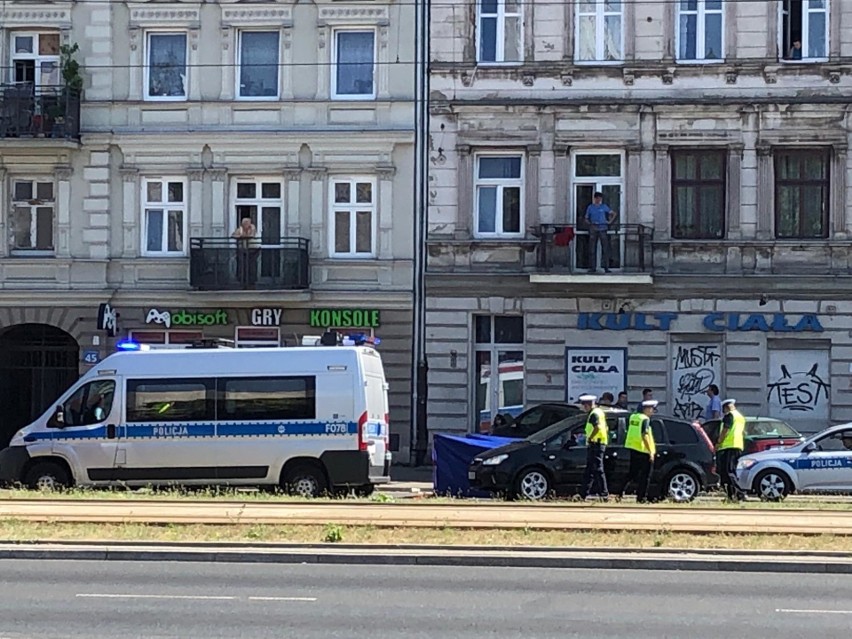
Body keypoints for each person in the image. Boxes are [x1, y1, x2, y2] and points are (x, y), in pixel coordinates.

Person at [621, 400, 657, 503]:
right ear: (645, 409)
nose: (653, 411)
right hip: (644, 450)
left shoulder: (634, 417)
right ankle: (641, 498)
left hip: (633, 448)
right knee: (645, 476)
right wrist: (650, 451)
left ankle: (619, 492)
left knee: (632, 473)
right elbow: (644, 435)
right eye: (651, 409)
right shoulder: (645, 419)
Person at [579, 394, 609, 502]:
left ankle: (604, 494)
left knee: (598, 469)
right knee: (590, 470)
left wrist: (591, 437)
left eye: (584, 405)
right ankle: (583, 493)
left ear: (588, 405)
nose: (583, 407)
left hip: (596, 444)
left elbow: (597, 427)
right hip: (598, 443)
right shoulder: (599, 412)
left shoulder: (594, 414)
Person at [717, 398, 746, 501]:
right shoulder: (740, 417)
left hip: (728, 447)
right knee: (729, 471)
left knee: (729, 472)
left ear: (726, 407)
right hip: (738, 446)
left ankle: (740, 494)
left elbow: (725, 430)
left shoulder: (730, 416)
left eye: (723, 409)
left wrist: (718, 442)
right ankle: (731, 496)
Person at [583, 191, 617, 273]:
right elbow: (586, 218)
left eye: (600, 198)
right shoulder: (590, 207)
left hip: (603, 229)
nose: (599, 200)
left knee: (605, 249)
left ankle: (606, 267)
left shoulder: (604, 206)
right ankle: (592, 267)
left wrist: (609, 222)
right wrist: (590, 224)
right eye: (598, 198)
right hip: (593, 229)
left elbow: (614, 213)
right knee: (592, 249)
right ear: (595, 198)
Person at [232, 216, 260, 288]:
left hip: (253, 249)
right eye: (244, 223)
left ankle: (252, 282)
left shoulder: (252, 227)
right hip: (243, 249)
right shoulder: (240, 229)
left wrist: (241, 236)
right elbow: (233, 235)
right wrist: (240, 235)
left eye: (247, 223)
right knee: (242, 265)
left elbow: (251, 235)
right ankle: (243, 282)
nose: (246, 224)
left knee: (252, 266)